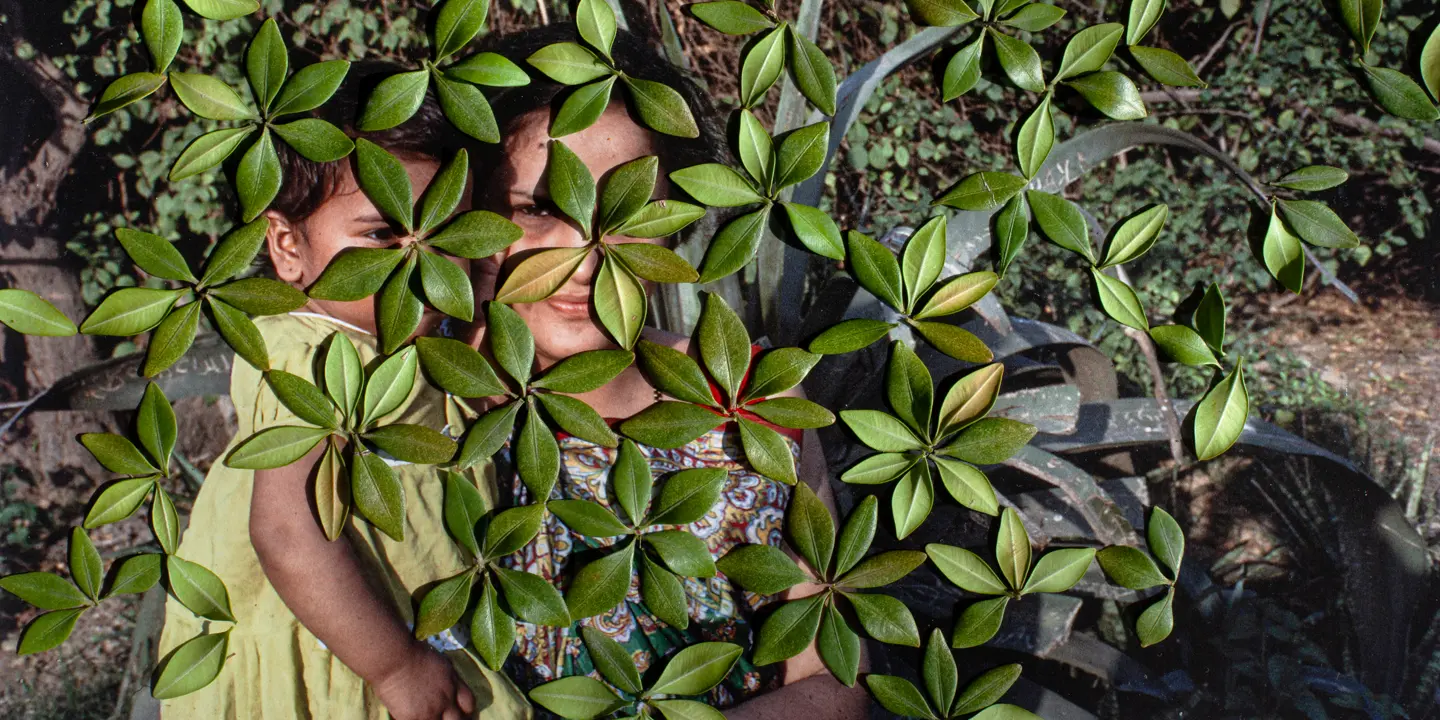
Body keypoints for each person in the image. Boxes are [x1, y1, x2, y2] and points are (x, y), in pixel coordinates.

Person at [475, 26, 870, 719]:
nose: (585, 257)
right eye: (536, 210)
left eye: (627, 212)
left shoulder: (749, 396)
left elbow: (836, 680)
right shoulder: (425, 412)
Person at [155, 66, 529, 720]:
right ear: (287, 247)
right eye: (382, 236)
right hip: (348, 649)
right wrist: (396, 667)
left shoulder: (399, 339)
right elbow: (287, 531)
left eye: (446, 232)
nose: (419, 261)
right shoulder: (315, 359)